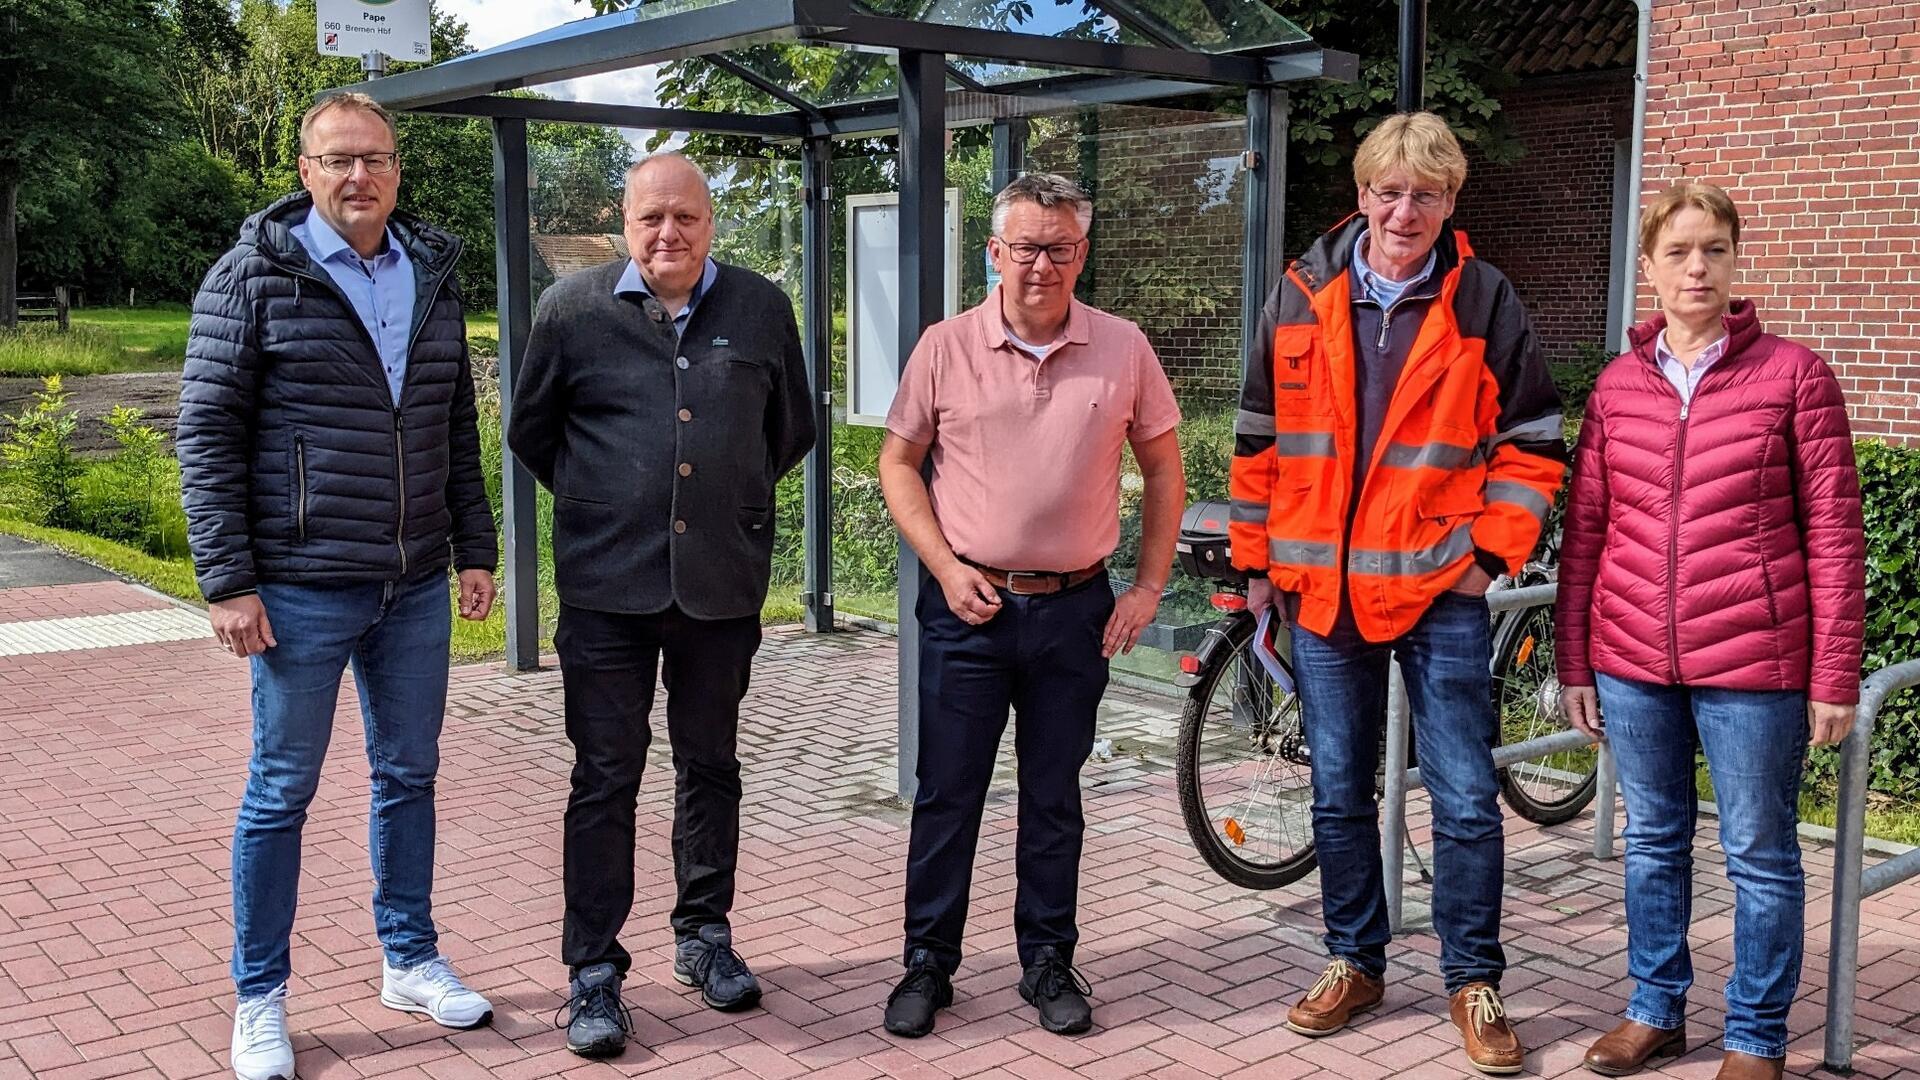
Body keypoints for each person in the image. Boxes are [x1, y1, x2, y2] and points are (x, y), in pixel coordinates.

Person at [1227, 111, 1567, 1076]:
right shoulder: (1300, 294)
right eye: (1389, 190)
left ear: (1451, 201)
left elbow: (1533, 444)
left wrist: (1485, 559)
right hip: (1323, 598)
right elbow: (1257, 442)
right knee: (1337, 794)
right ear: (1362, 192)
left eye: (1426, 193)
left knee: (1463, 795)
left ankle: (1473, 978)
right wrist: (1255, 568)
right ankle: (1354, 961)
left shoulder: (1484, 299)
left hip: (1440, 594)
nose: (1404, 209)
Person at [178, 91, 500, 1080]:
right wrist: (229, 579)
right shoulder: (252, 278)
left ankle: (409, 959)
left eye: (374, 158)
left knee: (408, 775)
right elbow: (206, 433)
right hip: (302, 586)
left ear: (398, 169)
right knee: (282, 790)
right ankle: (260, 996)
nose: (358, 175)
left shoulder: (433, 274)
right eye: (337, 160)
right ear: (306, 172)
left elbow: (452, 426)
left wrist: (473, 547)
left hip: (410, 584)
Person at [508, 154, 816, 1059]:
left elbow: (786, 430)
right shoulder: (573, 309)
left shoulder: (760, 308)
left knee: (710, 766)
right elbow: (534, 431)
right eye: (651, 220)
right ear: (625, 224)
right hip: (607, 590)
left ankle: (704, 936)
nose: (667, 235)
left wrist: (729, 505)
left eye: (684, 218)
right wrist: (609, 499)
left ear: (711, 221)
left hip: (720, 586)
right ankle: (594, 970)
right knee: (605, 777)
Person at [1556, 182, 1865, 1080]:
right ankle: (1655, 1011)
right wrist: (1577, 658)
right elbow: (1588, 533)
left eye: (1715, 250)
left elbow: (1837, 536)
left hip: (1756, 666)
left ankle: (1755, 1037)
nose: (1699, 268)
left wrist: (1834, 674)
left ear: (1735, 262)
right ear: (1647, 266)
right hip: (1632, 660)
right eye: (1680, 251)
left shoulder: (1795, 376)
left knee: (1759, 854)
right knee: (1653, 841)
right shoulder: (1617, 387)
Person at [876, 172, 1186, 1040]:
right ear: (994, 254)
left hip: (1074, 612)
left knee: (1054, 796)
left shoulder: (1123, 347)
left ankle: (1047, 959)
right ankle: (927, 963)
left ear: (1081, 254)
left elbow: (1164, 470)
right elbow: (898, 464)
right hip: (967, 606)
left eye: (1058, 248)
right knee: (948, 794)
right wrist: (940, 565)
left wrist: (1149, 587)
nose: (1040, 264)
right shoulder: (945, 345)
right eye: (1024, 248)